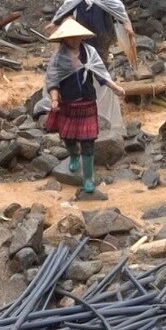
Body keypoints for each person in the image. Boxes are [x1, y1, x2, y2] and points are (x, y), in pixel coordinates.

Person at [42, 18, 125, 201]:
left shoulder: (90, 53)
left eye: (77, 37)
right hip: (68, 104)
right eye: (71, 37)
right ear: (64, 39)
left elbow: (101, 74)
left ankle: (88, 178)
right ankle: (73, 155)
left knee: (88, 141)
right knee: (68, 137)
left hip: (87, 102)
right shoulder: (58, 57)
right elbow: (53, 80)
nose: (75, 40)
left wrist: (115, 87)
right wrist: (54, 99)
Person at [52, 0, 133, 64]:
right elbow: (68, 6)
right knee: (84, 57)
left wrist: (126, 23)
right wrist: (55, 22)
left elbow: (116, 6)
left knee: (100, 58)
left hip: (101, 29)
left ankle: (103, 78)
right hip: (83, 30)